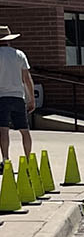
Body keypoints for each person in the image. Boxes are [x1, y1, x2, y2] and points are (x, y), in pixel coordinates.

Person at [0, 26, 36, 166]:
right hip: (18, 97)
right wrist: (31, 99)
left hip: (2, 97)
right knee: (24, 130)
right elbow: (27, 79)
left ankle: (5, 160)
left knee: (3, 130)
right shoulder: (19, 54)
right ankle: (28, 161)